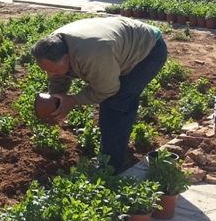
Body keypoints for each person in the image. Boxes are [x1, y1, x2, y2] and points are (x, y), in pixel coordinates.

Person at [31, 16, 168, 173]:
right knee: (113, 100)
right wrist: (56, 100)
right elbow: (59, 77)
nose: (50, 74)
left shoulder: (93, 54)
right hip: (117, 45)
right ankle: (117, 146)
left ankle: (110, 167)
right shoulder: (53, 47)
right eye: (47, 71)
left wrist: (73, 100)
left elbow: (107, 89)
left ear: (66, 58)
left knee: (115, 105)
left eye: (53, 70)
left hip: (148, 50)